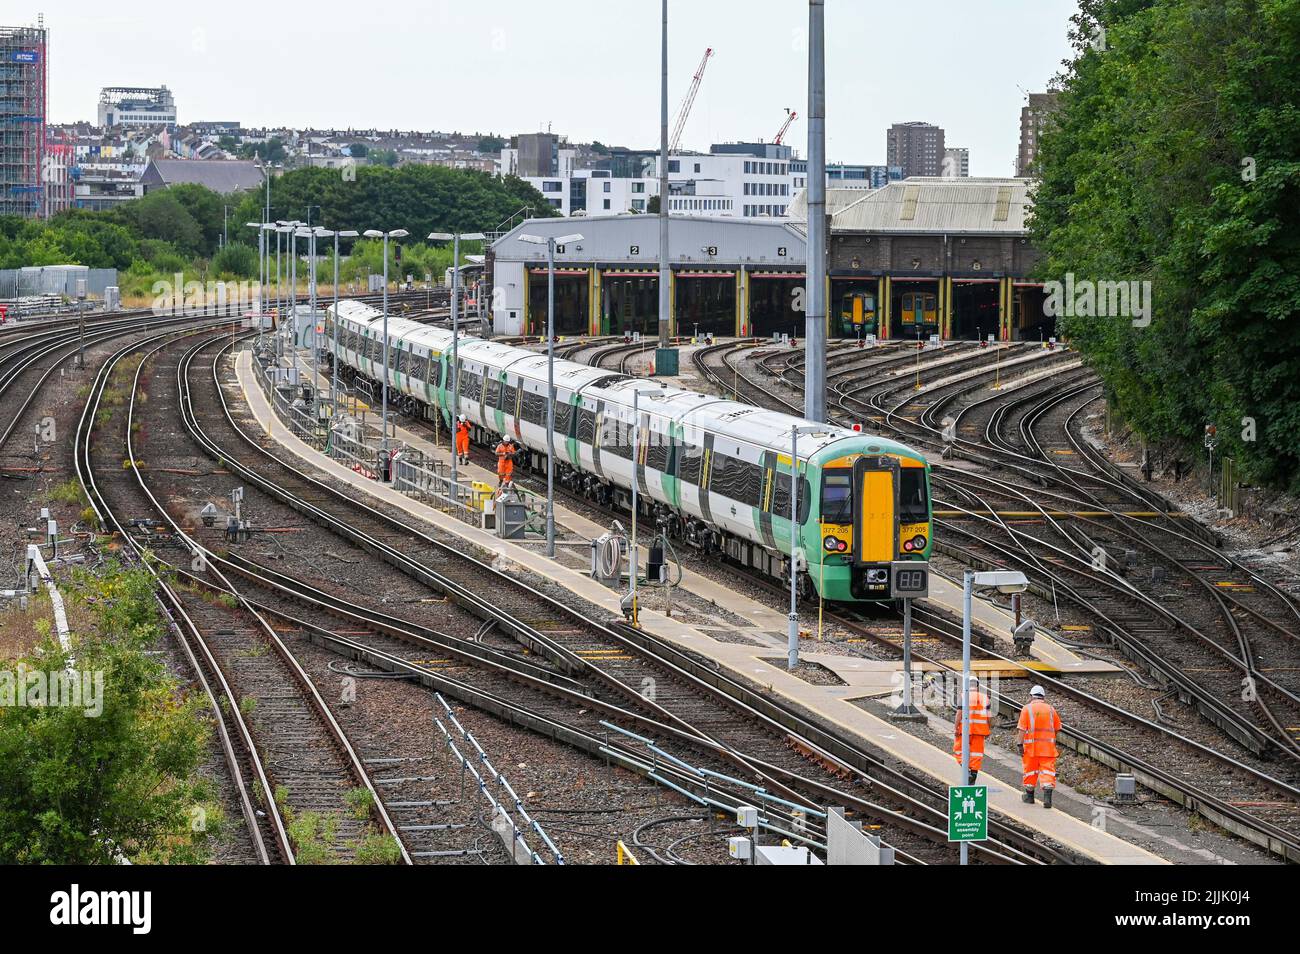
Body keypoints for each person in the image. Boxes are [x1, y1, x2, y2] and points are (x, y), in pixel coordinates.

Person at [1018, 685, 1062, 808]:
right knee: (1048, 771)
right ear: (1043, 697)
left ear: (1031, 696)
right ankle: (1047, 798)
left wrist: (1019, 744)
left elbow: (1022, 729)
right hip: (1047, 748)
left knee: (1030, 771)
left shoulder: (1027, 709)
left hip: (1031, 748)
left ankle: (1029, 797)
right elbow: (1057, 728)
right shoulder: (1051, 709)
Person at [953, 676, 992, 785]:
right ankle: (972, 776)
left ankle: (967, 771)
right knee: (976, 754)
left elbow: (959, 714)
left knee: (959, 751)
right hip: (980, 731)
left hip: (964, 731)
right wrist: (988, 729)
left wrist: (955, 727)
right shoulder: (985, 698)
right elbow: (989, 717)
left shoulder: (963, 696)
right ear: (977, 685)